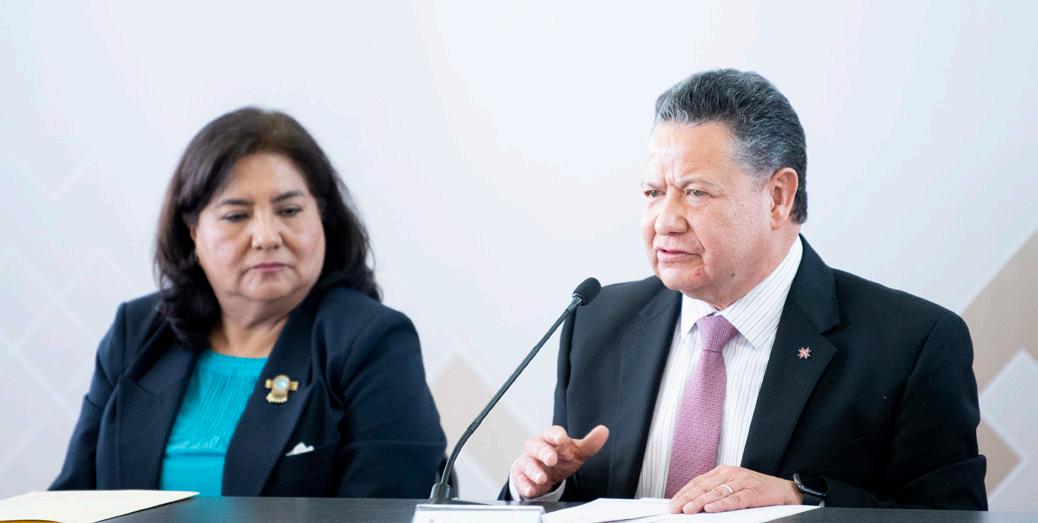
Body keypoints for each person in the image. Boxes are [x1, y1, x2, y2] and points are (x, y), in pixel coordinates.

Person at [505, 69, 987, 511]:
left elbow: (952, 518)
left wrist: (803, 497)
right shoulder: (597, 320)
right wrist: (545, 488)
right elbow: (578, 499)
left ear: (778, 197)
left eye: (695, 192)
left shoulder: (910, 344)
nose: (665, 221)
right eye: (653, 193)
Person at [51, 107, 446, 497]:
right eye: (236, 216)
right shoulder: (137, 331)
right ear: (193, 232)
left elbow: (389, 510)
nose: (266, 237)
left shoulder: (371, 341)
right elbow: (70, 501)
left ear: (322, 218)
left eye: (289, 210)